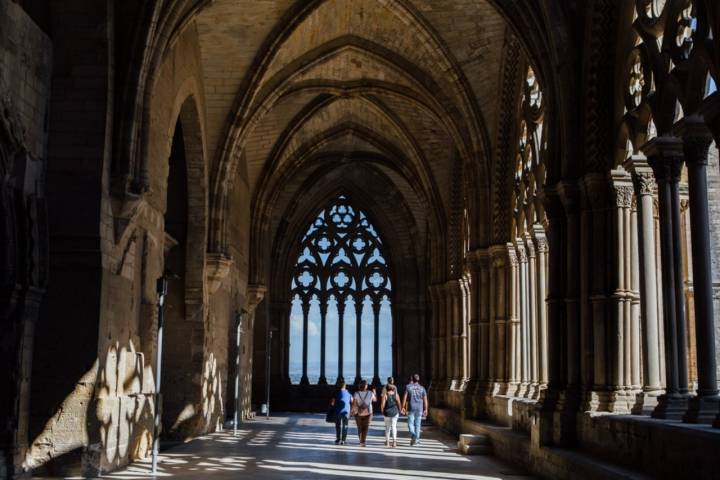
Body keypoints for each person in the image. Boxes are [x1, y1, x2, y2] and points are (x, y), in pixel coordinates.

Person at [402, 373, 428, 446]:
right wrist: (426, 409)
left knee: (410, 423)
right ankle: (417, 439)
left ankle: (414, 435)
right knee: (418, 424)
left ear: (412, 379)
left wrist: (403, 406)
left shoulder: (408, 387)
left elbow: (405, 397)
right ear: (418, 380)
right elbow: (425, 399)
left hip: (411, 408)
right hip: (420, 408)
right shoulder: (422, 388)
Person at [352, 380, 376, 446]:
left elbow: (354, 404)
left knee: (359, 427)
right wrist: (375, 392)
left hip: (358, 412)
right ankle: (363, 442)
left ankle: (360, 441)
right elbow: (375, 400)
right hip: (368, 412)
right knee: (366, 427)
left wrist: (353, 411)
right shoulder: (371, 393)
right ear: (366, 386)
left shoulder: (356, 393)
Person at [380, 383, 400, 447]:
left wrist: (382, 411)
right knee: (394, 427)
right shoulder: (396, 394)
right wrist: (400, 410)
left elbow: (382, 404)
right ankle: (394, 442)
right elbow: (399, 403)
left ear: (386, 389)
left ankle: (387, 442)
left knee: (387, 428)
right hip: (395, 412)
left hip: (387, 413)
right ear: (393, 389)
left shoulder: (385, 395)